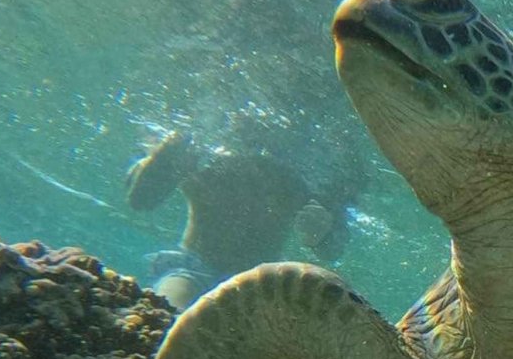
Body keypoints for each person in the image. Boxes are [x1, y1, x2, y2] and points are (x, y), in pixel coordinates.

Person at [124, 129, 356, 310]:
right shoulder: (204, 142)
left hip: (263, 285)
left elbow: (333, 249)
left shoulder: (304, 171)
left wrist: (320, 236)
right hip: (193, 269)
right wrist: (163, 157)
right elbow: (140, 200)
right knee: (164, 319)